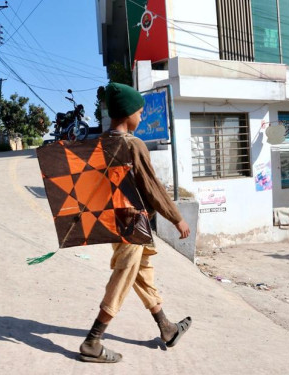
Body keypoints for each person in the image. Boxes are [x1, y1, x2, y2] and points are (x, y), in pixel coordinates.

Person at [78, 83, 192, 363]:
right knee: (124, 274)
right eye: (139, 113)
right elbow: (151, 186)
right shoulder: (133, 145)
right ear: (128, 114)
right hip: (132, 222)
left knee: (141, 271)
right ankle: (93, 341)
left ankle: (166, 328)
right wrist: (176, 218)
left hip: (111, 219)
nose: (141, 117)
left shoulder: (99, 143)